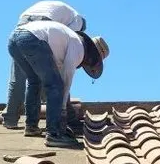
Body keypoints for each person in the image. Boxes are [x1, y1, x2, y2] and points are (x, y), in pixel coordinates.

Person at [7, 19, 108, 148]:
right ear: (91, 56)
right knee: (56, 86)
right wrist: (63, 112)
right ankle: (54, 134)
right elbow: (66, 79)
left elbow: (56, 71)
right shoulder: (79, 47)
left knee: (34, 81)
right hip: (32, 39)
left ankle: (31, 126)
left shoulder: (66, 40)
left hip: (14, 39)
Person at [2, 0, 86, 130]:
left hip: (21, 26)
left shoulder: (63, 10)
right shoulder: (78, 21)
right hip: (38, 28)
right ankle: (56, 125)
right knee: (53, 81)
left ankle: (11, 119)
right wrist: (63, 108)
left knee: (23, 78)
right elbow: (66, 45)